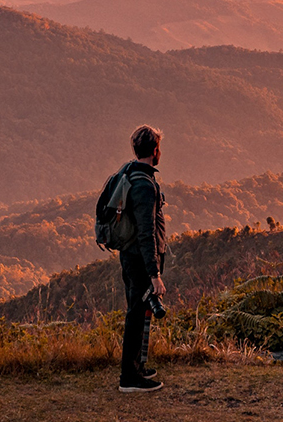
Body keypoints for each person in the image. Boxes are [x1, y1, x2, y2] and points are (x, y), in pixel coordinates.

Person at [117, 123, 168, 393]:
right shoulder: (145, 186)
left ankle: (137, 367)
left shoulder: (131, 174)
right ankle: (130, 378)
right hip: (140, 260)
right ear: (156, 150)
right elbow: (147, 233)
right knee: (136, 315)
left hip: (130, 256)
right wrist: (155, 274)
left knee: (139, 312)